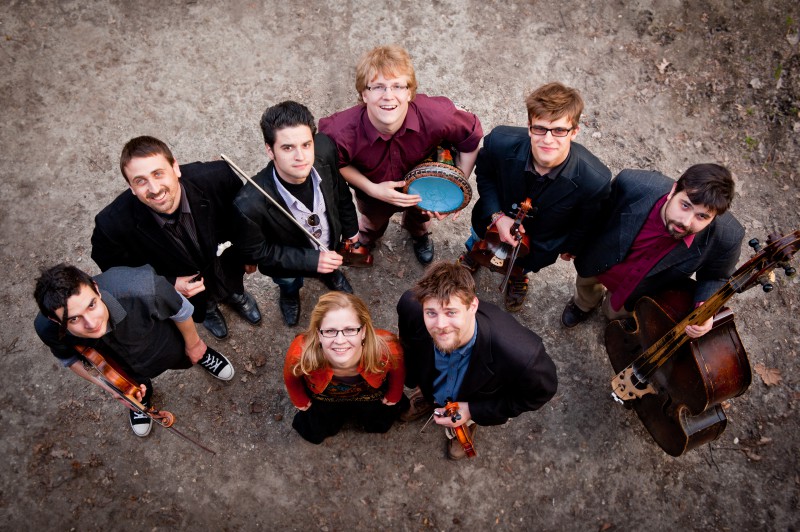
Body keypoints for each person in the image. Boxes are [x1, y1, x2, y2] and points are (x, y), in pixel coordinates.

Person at [319, 45, 483, 265]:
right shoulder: (339, 132)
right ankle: (368, 237)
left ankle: (419, 234)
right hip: (373, 196)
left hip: (424, 189)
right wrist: (372, 189)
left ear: (409, 92)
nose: (388, 96)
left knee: (420, 219)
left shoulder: (438, 116)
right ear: (364, 94)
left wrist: (451, 185)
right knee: (372, 222)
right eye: (378, 87)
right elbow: (333, 163)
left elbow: (470, 137)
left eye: (397, 86)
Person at [33, 264, 235, 438]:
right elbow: (69, 360)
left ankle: (202, 354)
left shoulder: (141, 287)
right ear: (54, 319)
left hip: (163, 344)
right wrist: (114, 388)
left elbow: (180, 310)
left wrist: (194, 344)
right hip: (120, 369)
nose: (92, 323)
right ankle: (140, 400)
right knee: (135, 388)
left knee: (185, 355)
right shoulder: (46, 328)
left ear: (96, 288)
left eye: (92, 305)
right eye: (74, 319)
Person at [91, 136, 261, 340]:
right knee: (201, 302)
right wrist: (169, 284)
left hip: (225, 262)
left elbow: (246, 219)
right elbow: (117, 274)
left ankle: (235, 294)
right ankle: (208, 309)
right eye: (140, 181)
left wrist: (250, 255)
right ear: (131, 188)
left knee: (230, 280)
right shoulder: (111, 225)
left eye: (158, 173)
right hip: (185, 285)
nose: (154, 189)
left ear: (175, 168)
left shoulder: (219, 177)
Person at [461, 82, 612, 311]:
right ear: (529, 127)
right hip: (490, 222)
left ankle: (518, 274)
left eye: (559, 130)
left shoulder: (594, 181)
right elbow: (485, 175)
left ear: (574, 132)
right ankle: (475, 254)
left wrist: (570, 247)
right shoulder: (499, 142)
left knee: (524, 263)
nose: (548, 140)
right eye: (540, 128)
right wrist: (497, 216)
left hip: (541, 242)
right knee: (478, 239)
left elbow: (585, 221)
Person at [560, 163, 745, 339]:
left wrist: (706, 308)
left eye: (702, 216)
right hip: (601, 262)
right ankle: (583, 304)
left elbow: (716, 277)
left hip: (640, 291)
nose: (686, 222)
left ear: (714, 218)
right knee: (586, 284)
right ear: (673, 191)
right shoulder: (631, 184)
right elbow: (597, 216)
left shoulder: (728, 238)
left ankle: (613, 319)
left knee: (616, 314)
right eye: (685, 205)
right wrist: (574, 244)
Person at [396, 261, 557, 460]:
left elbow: (540, 393)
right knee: (432, 387)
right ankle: (431, 398)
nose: (440, 326)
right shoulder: (410, 306)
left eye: (451, 312)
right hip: (433, 381)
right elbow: (408, 344)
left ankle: (465, 425)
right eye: (431, 313)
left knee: (466, 414)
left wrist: (473, 410)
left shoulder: (523, 356)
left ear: (472, 305)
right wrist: (414, 379)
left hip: (474, 396)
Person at [232, 101, 361, 327]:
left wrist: (351, 230)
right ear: (270, 150)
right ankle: (290, 294)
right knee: (288, 281)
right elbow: (257, 251)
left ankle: (330, 274)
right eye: (287, 148)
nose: (301, 156)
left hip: (329, 243)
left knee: (331, 263)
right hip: (287, 266)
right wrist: (311, 260)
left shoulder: (324, 151)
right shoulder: (249, 203)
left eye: (306, 144)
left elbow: (340, 193)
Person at [283, 292, 407, 444]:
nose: (340, 340)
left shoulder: (387, 349)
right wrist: (299, 399)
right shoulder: (300, 353)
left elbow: (398, 372)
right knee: (321, 423)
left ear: (363, 331)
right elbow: (291, 377)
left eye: (350, 330)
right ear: (318, 334)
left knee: (375, 419)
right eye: (330, 331)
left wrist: (394, 394)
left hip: (370, 394)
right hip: (325, 397)